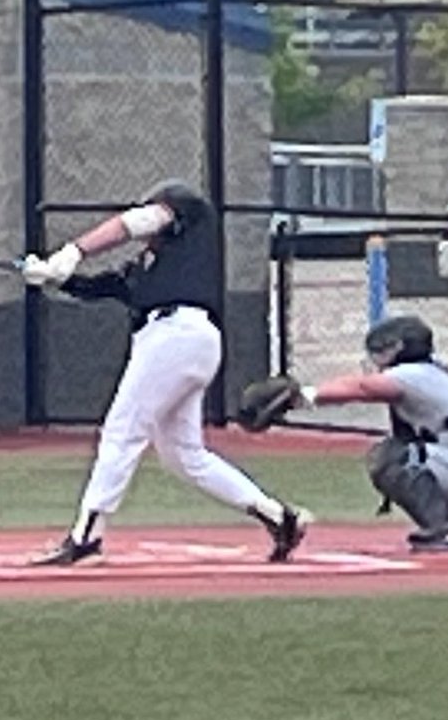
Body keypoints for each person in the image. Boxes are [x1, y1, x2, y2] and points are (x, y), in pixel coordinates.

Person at [21, 180, 308, 565]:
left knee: (122, 431)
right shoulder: (150, 267)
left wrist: (73, 251)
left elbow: (133, 222)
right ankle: (279, 517)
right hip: (180, 343)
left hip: (178, 334)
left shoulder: (191, 218)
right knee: (184, 454)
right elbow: (103, 287)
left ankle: (87, 538)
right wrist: (52, 276)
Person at [246, 315, 448, 553]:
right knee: (398, 452)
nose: (377, 356)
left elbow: (363, 388)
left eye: (384, 348)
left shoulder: (417, 374)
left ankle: (447, 529)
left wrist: (304, 396)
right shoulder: (431, 372)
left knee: (393, 457)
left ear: (401, 347)